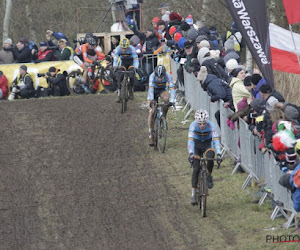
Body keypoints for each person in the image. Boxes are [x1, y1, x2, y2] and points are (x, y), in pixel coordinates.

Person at [188, 109, 222, 205]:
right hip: (196, 146)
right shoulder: (193, 126)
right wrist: (191, 153)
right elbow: (190, 141)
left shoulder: (211, 125)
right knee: (196, 169)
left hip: (207, 144)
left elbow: (216, 140)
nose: (202, 126)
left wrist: (219, 153)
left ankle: (209, 175)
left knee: (211, 157)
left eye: (204, 123)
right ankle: (193, 193)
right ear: (197, 122)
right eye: (200, 124)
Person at [147, 65, 175, 146]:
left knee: (167, 99)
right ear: (155, 75)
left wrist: (172, 101)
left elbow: (172, 88)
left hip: (162, 90)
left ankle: (163, 118)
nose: (160, 79)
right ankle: (150, 134)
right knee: (151, 112)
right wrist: (151, 101)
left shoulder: (168, 76)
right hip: (154, 91)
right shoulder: (152, 76)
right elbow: (151, 89)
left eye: (161, 77)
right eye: (158, 77)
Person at [113, 37, 139, 102]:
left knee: (131, 76)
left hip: (131, 62)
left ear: (128, 46)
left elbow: (136, 59)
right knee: (120, 77)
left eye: (125, 48)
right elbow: (115, 59)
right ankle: (119, 95)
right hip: (123, 62)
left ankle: (131, 90)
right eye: (122, 48)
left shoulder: (132, 49)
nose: (124, 50)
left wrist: (136, 67)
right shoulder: (118, 49)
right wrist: (115, 66)